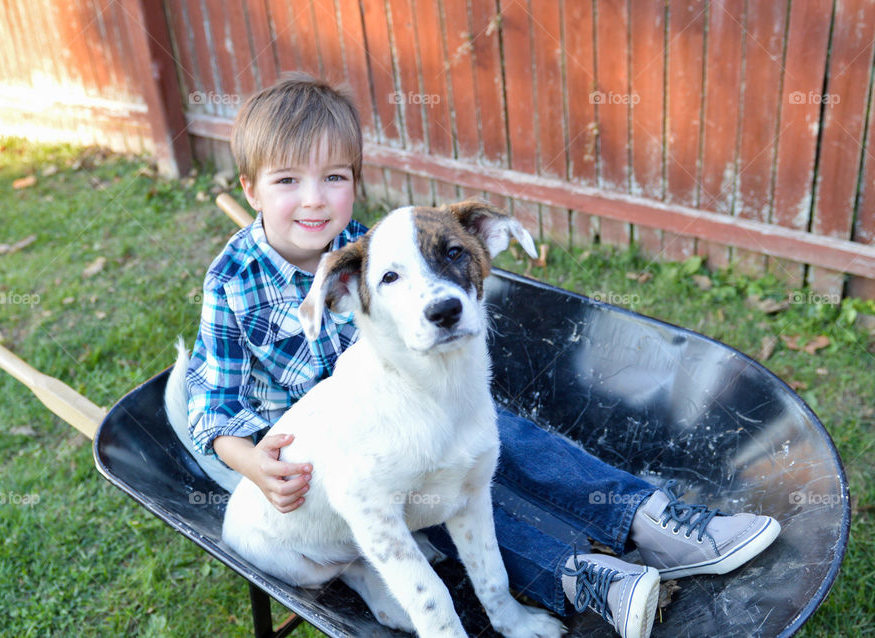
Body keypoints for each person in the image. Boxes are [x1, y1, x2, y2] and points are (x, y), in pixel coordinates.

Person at [182, 72, 781, 638]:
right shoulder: (239, 279)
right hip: (297, 463)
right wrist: (255, 465)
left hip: (408, 404)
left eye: (334, 177)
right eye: (286, 181)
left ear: (355, 182)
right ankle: (576, 570)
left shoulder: (377, 244)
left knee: (491, 450)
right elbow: (212, 407)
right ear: (249, 189)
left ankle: (651, 520)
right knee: (451, 485)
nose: (314, 200)